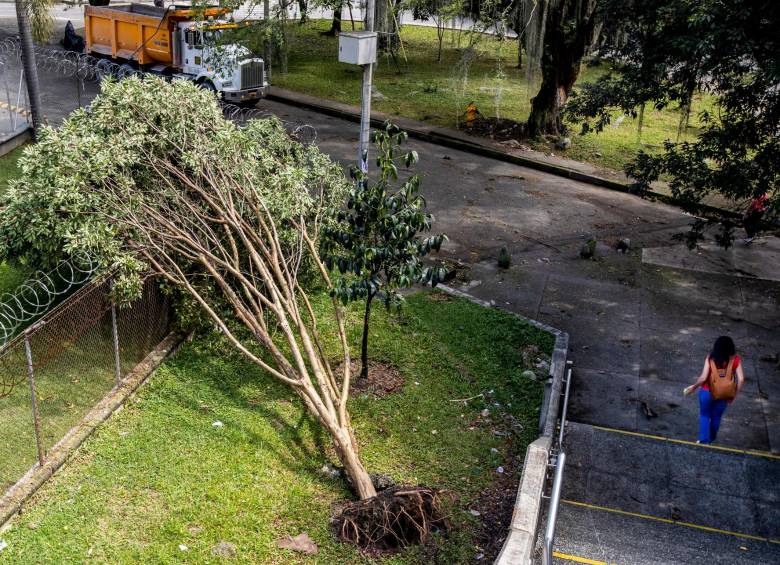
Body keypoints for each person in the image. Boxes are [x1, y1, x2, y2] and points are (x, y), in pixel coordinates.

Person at [684, 336, 745, 444]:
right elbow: (741, 379)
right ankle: (711, 439)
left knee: (705, 415)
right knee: (716, 416)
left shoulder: (710, 358)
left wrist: (694, 386)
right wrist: (734, 395)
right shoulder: (735, 359)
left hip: (707, 392)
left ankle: (703, 440)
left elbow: (703, 377)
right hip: (724, 394)